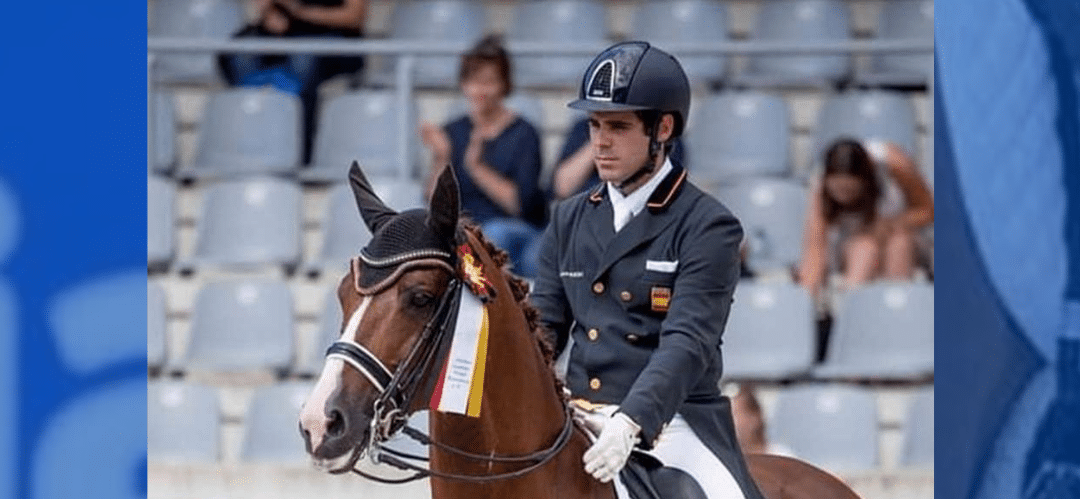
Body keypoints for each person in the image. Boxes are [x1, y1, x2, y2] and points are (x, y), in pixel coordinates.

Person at [530, 41, 764, 499]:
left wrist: (632, 419)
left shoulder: (707, 225)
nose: (599, 141)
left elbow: (688, 340)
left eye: (617, 126)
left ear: (663, 128)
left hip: (672, 420)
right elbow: (544, 329)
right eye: (594, 125)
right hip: (578, 412)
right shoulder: (569, 218)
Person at [419, 35, 546, 277]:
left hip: (513, 231)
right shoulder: (453, 131)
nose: (481, 90)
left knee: (492, 234)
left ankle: (478, 298)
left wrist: (476, 167)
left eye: (489, 81)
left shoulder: (524, 133)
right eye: (474, 81)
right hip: (463, 231)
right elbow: (433, 202)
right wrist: (442, 156)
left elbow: (521, 205)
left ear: (504, 84)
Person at [219, 0, 367, 164]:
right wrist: (272, 16)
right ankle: (246, 148)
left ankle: (299, 156)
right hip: (285, 35)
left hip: (335, 41)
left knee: (303, 61)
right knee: (239, 54)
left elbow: (353, 17)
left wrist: (300, 13)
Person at [796, 138, 935, 305]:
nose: (844, 198)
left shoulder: (895, 163)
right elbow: (815, 249)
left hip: (902, 235)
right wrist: (805, 303)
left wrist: (889, 225)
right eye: (837, 191)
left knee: (899, 243)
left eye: (849, 190)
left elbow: (928, 210)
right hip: (854, 245)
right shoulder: (819, 185)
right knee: (864, 249)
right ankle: (850, 310)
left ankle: (896, 308)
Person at [550, 115, 684, 201]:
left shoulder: (661, 133)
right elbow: (562, 188)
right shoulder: (583, 128)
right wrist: (601, 137)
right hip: (585, 214)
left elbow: (662, 190)